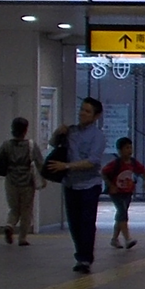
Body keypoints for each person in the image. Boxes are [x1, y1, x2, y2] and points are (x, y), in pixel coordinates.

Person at [47, 96, 107, 274]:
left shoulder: (98, 136)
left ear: (96, 116)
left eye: (87, 111)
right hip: (71, 184)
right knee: (74, 222)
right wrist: (58, 133)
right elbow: (53, 144)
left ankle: (85, 258)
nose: (82, 113)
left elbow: (92, 161)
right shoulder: (71, 131)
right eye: (82, 109)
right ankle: (80, 254)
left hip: (90, 184)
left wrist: (66, 166)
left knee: (87, 222)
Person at [0, 117, 41, 245]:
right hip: (27, 182)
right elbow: (40, 162)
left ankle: (10, 225)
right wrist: (45, 177)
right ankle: (22, 238)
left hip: (11, 180)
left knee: (14, 208)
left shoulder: (6, 145)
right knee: (26, 210)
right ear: (25, 130)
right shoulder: (31, 145)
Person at [102, 137, 145, 250]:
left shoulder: (133, 163)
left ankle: (114, 239)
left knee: (121, 214)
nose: (129, 150)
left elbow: (143, 170)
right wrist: (111, 185)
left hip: (127, 192)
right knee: (122, 212)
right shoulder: (115, 164)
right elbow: (103, 172)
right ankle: (128, 239)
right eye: (126, 148)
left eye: (130, 147)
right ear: (119, 150)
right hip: (116, 192)